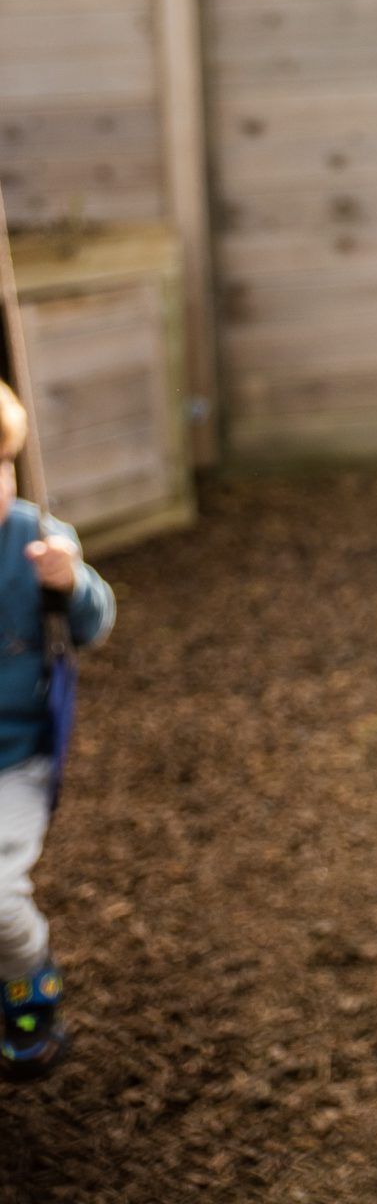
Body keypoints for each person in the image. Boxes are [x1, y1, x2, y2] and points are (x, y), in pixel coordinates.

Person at [0, 376, 116, 1079]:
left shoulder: (36, 540)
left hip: (14, 761)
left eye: (0, 464)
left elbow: (94, 627)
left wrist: (70, 584)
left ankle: (28, 986)